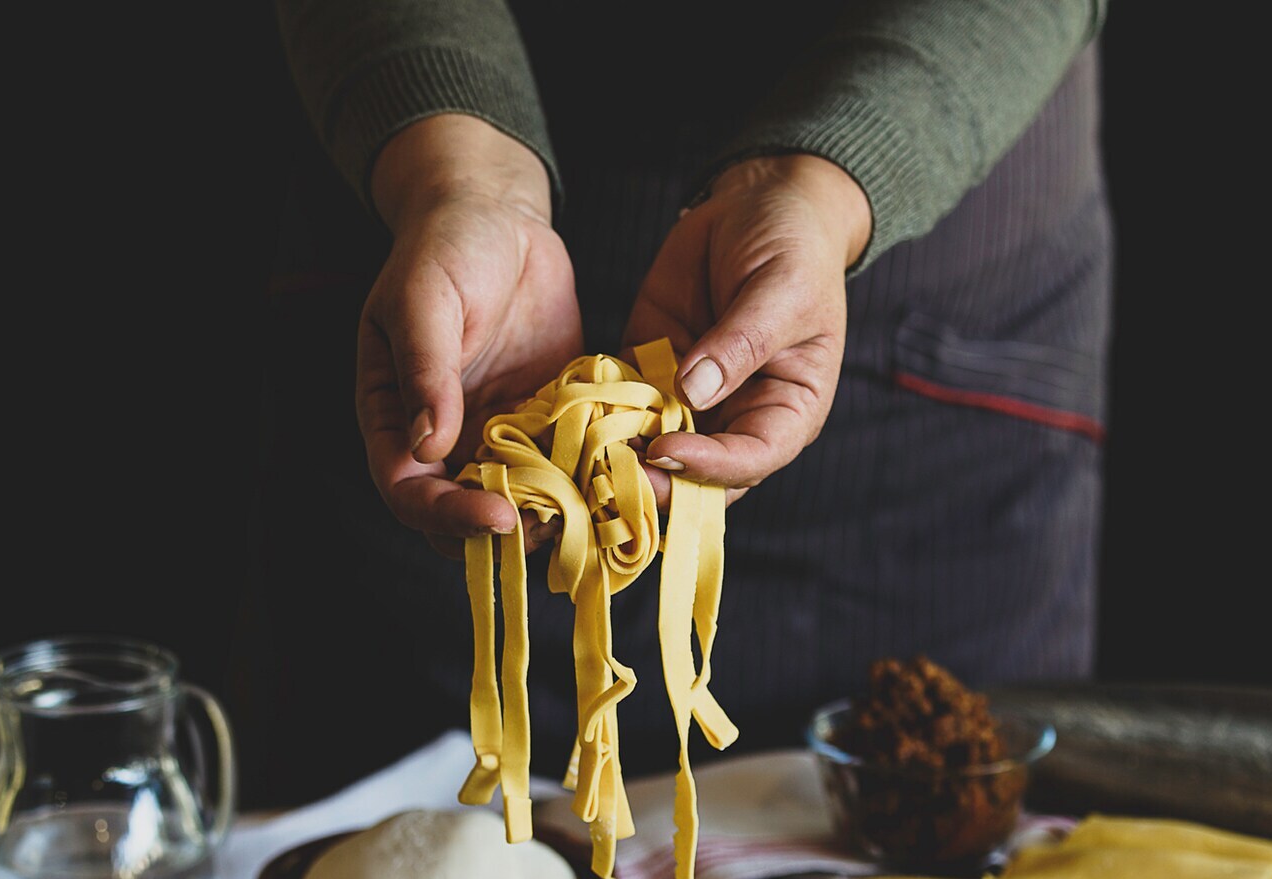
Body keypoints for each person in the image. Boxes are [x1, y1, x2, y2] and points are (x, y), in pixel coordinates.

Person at [238, 1, 1110, 805]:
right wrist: (463, 179)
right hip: (441, 250)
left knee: (927, 864)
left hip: (919, 285)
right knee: (392, 867)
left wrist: (824, 185)